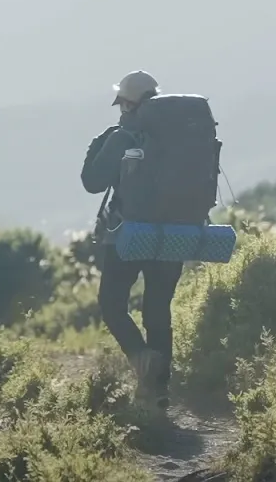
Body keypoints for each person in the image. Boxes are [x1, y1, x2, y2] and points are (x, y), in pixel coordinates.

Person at [80, 70, 184, 409]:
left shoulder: (122, 135)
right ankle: (159, 392)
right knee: (157, 311)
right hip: (174, 233)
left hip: (129, 234)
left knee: (112, 304)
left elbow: (93, 181)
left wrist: (103, 142)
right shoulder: (180, 134)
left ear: (127, 103)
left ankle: (143, 362)